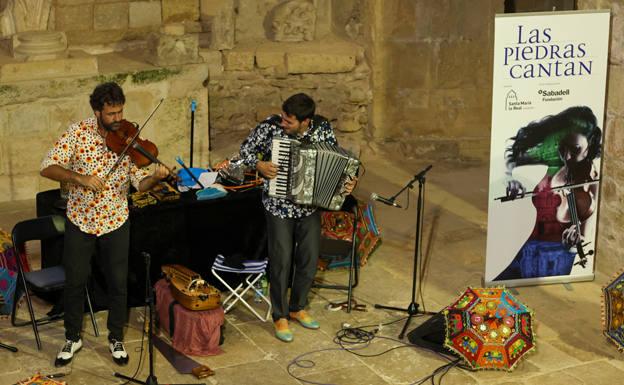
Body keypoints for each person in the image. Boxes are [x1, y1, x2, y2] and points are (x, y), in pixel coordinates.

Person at [40, 82, 168, 366]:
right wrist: (79, 178)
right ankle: (72, 337)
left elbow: (140, 183)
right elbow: (47, 166)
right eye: (111, 114)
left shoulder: (128, 136)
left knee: (118, 283)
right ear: (97, 112)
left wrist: (156, 178)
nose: (118, 119)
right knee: (75, 281)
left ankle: (116, 337)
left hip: (116, 220)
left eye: (120, 112)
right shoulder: (77, 133)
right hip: (80, 220)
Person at [239, 93, 356, 342]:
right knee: (281, 261)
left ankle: (297, 307)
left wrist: (348, 182)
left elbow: (340, 162)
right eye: (283, 118)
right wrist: (259, 166)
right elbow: (245, 151)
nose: (283, 124)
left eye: (289, 121)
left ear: (306, 121)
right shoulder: (270, 127)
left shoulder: (322, 128)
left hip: (310, 207)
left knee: (309, 259)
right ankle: (280, 316)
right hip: (278, 206)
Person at [495, 106, 601, 280]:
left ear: (589, 147)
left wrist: (572, 243)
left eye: (575, 150)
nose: (566, 157)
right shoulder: (557, 158)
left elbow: (583, 236)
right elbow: (510, 159)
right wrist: (509, 179)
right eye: (563, 147)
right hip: (526, 247)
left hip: (554, 258)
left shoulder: (592, 182)